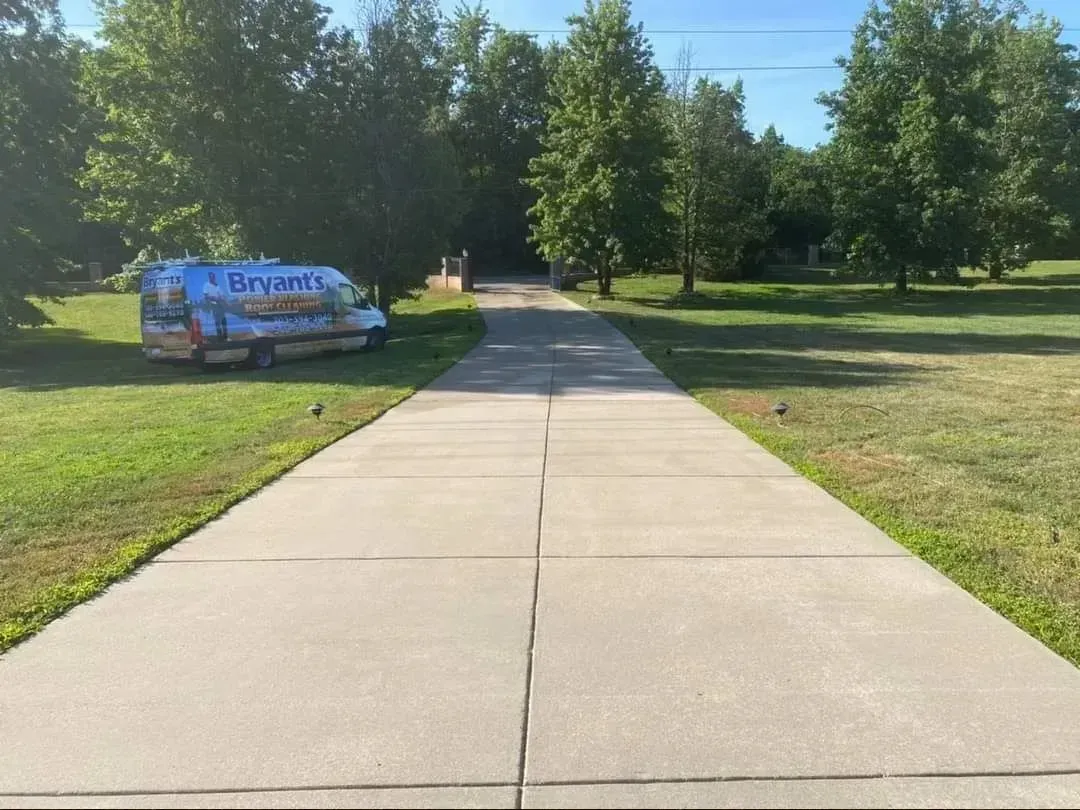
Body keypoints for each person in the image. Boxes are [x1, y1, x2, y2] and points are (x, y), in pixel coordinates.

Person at [202, 271, 228, 342]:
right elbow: (206, 296)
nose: (212, 278)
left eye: (213, 277)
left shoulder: (217, 285)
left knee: (224, 321)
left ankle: (225, 337)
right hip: (214, 305)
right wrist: (214, 298)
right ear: (209, 277)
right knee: (217, 322)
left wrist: (224, 299)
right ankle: (220, 338)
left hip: (220, 305)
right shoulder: (206, 285)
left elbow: (222, 295)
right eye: (211, 277)